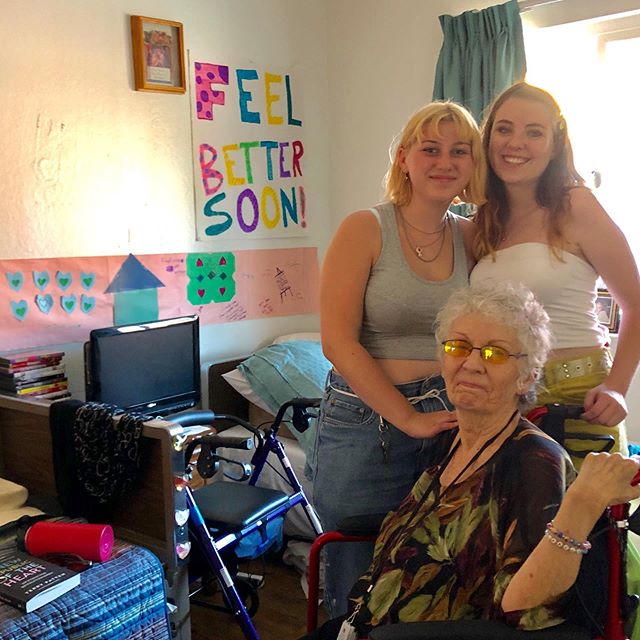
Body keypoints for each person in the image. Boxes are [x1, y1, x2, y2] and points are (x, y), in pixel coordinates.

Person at [302, 281, 640, 640]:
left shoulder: (534, 461)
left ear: (527, 376)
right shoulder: (451, 438)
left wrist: (583, 503)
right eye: (458, 347)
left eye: (495, 353)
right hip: (365, 621)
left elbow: (527, 611)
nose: (472, 363)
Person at [313, 101, 486, 617]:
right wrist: (406, 416)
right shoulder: (365, 228)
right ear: (405, 159)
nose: (445, 161)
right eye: (430, 148)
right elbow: (337, 342)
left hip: (447, 415)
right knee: (358, 580)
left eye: (460, 151)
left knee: (431, 576)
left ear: (474, 166)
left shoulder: (470, 236)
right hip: (367, 422)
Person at [470, 81, 640, 469]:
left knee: (583, 526)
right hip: (505, 400)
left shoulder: (574, 204)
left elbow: (636, 304)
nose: (516, 143)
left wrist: (617, 388)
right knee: (518, 528)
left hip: (577, 397)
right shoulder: (484, 220)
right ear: (489, 137)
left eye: (534, 132)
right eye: (505, 128)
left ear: (554, 144)